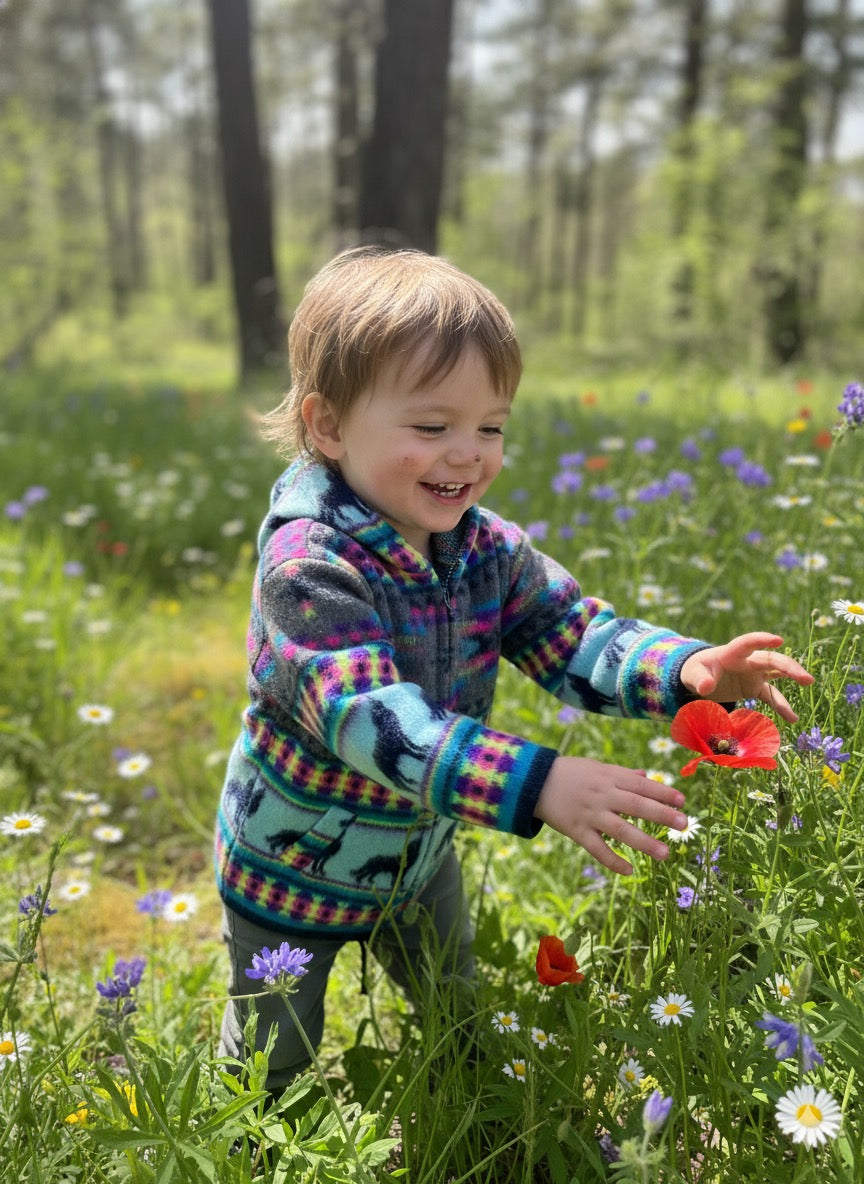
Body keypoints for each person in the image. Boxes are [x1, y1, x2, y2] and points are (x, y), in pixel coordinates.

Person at [215, 245, 811, 1091]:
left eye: (489, 427)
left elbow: (571, 633)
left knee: (455, 1006)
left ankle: (477, 1109)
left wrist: (687, 670)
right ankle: (257, 1147)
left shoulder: (485, 548)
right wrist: (537, 784)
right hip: (292, 872)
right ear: (329, 426)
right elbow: (370, 722)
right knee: (273, 1054)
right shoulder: (307, 566)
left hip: (419, 857)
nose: (469, 454)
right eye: (432, 427)